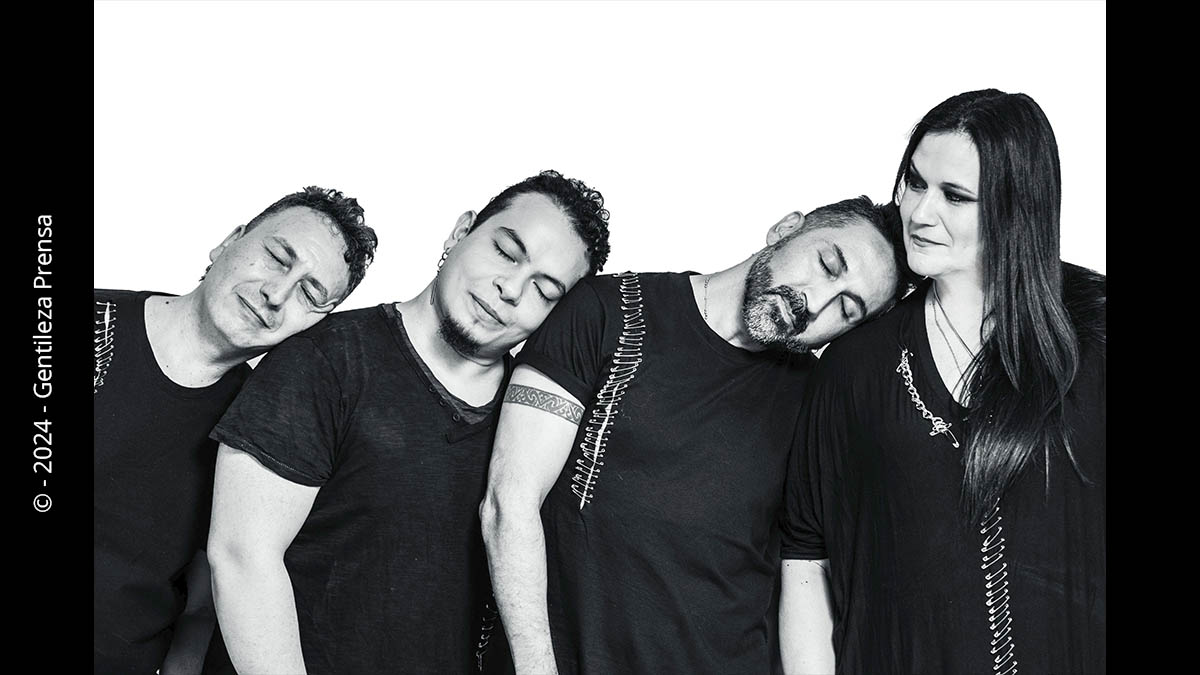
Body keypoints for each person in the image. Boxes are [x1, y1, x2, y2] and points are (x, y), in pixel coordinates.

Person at [481, 195, 911, 674]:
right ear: (786, 228)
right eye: (827, 264)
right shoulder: (608, 310)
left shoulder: (818, 403)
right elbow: (509, 501)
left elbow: (809, 572)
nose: (814, 303)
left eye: (847, 310)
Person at [205, 170, 611, 674]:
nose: (510, 288)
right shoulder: (324, 361)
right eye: (506, 252)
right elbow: (243, 559)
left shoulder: (535, 424)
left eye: (544, 290)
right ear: (460, 233)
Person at [779, 89, 1106, 674]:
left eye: (955, 196)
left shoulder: (1096, 334)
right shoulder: (856, 365)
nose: (919, 212)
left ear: (1016, 207)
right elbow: (807, 558)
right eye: (915, 182)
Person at [94, 186, 378, 674]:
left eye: (310, 294)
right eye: (277, 258)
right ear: (228, 242)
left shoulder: (265, 429)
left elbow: (202, 609)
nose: (276, 294)